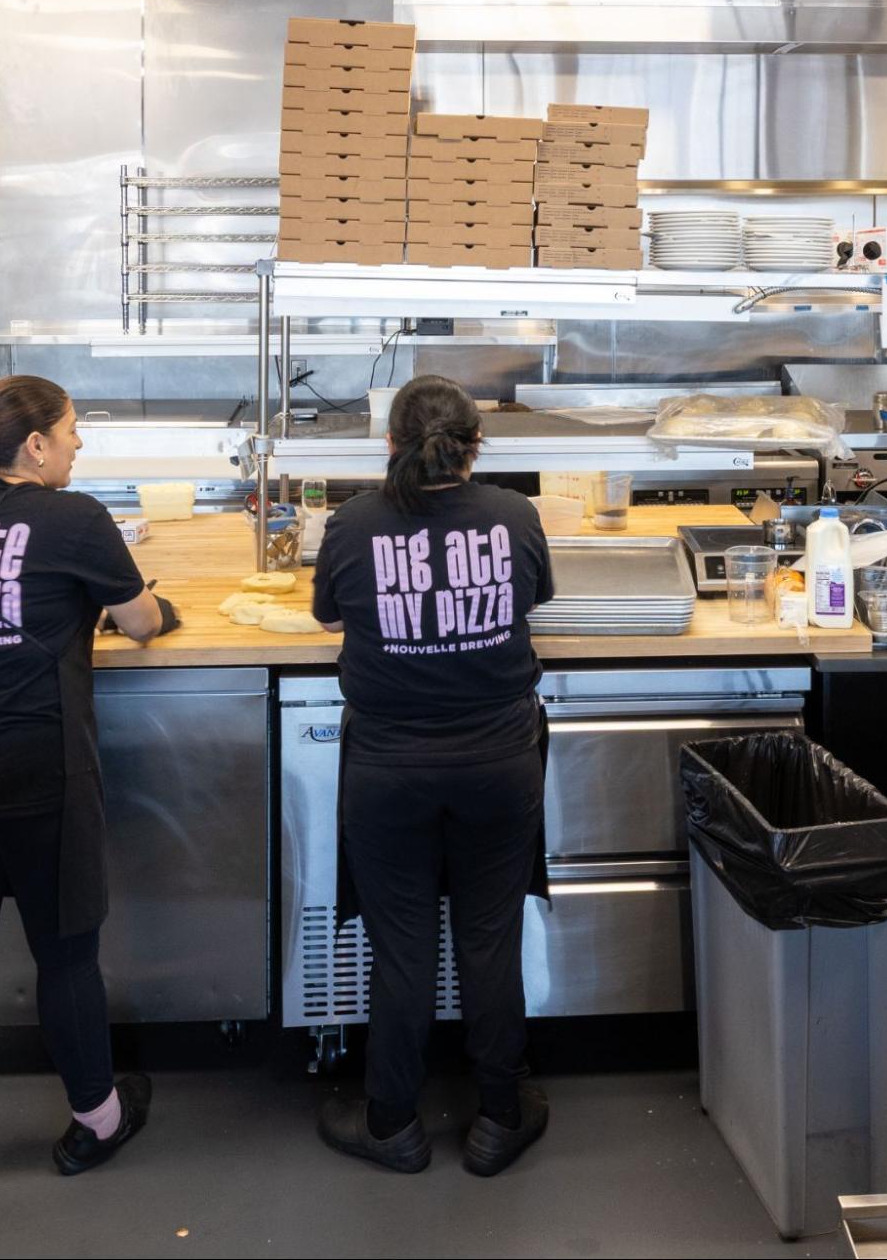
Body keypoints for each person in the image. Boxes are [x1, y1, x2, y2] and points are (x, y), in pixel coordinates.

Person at [0, 375, 181, 1206]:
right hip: (33, 771)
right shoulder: (73, 518)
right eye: (73, 431)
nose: (80, 445)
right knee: (64, 953)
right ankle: (95, 1119)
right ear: (37, 445)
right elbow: (143, 620)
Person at [308, 374, 555, 1177]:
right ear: (476, 446)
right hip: (497, 760)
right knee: (489, 938)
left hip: (387, 767)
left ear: (387, 444)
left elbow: (326, 615)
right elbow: (536, 596)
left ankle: (390, 1123)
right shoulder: (513, 515)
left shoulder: (351, 523)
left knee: (402, 947)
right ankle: (499, 1117)